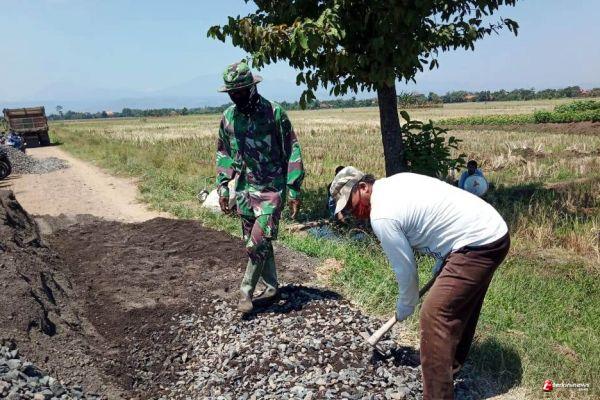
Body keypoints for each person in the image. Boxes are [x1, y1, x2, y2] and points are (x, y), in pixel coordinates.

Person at [330, 167, 510, 400]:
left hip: (478, 241)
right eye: (347, 210)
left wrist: (406, 304)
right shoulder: (394, 183)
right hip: (490, 230)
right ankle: (449, 364)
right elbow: (440, 217)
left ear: (363, 187)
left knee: (434, 314)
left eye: (351, 204)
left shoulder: (382, 215)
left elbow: (405, 270)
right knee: (461, 303)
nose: (353, 212)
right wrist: (444, 259)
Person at [215, 60, 305, 314]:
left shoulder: (274, 113)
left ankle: (245, 291)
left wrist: (294, 188)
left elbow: (292, 149)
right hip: (244, 190)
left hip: (271, 189)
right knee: (258, 243)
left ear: (252, 87)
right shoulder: (228, 117)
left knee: (256, 244)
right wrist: (223, 187)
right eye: (232, 93)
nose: (237, 97)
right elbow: (223, 153)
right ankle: (272, 287)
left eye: (241, 92)